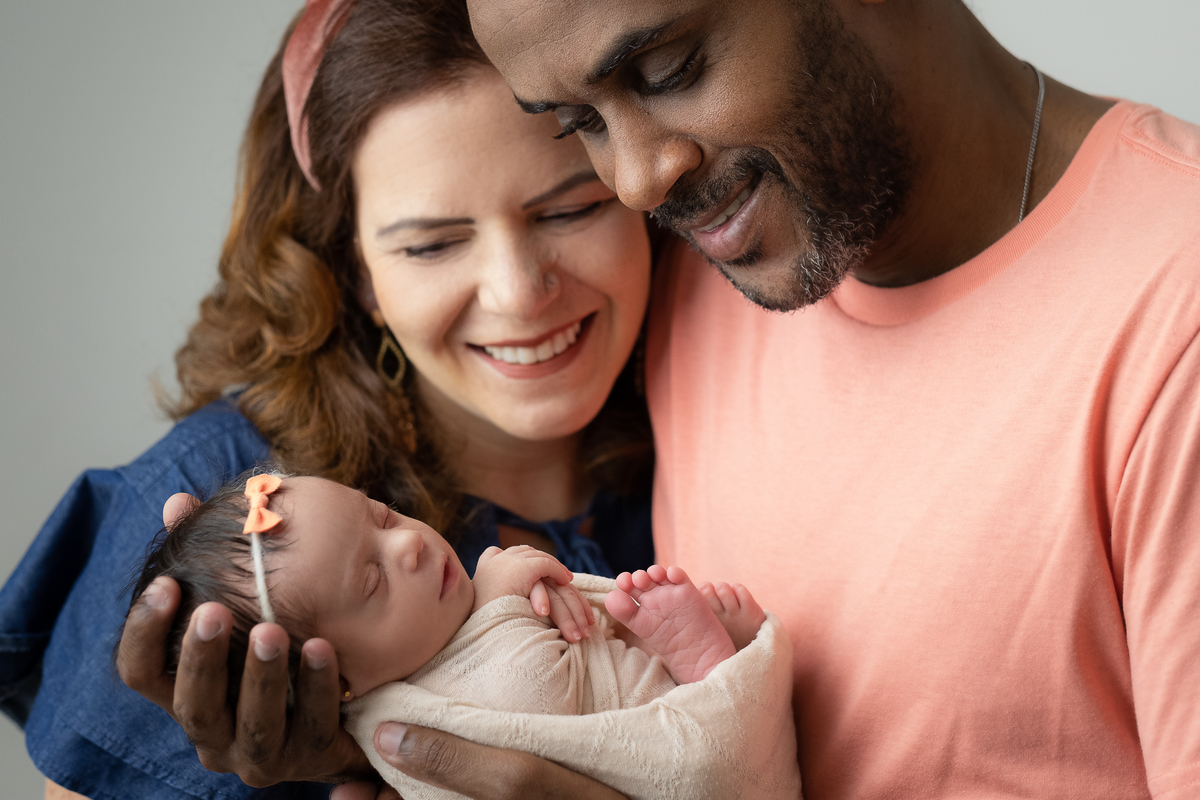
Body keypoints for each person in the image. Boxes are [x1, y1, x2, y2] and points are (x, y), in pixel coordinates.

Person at [453, 0, 1200, 797]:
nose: (635, 181)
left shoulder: (1173, 313)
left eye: (669, 71)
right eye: (578, 123)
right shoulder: (695, 261)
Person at [0, 0, 660, 798]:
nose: (520, 295)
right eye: (431, 243)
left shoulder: (706, 422)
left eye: (572, 208)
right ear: (356, 273)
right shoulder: (240, 530)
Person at [128, 471, 798, 800]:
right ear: (337, 681)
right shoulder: (405, 715)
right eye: (370, 583)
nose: (410, 550)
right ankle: (710, 672)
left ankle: (702, 670)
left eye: (382, 517)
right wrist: (505, 602)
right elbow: (531, 701)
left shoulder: (441, 625)